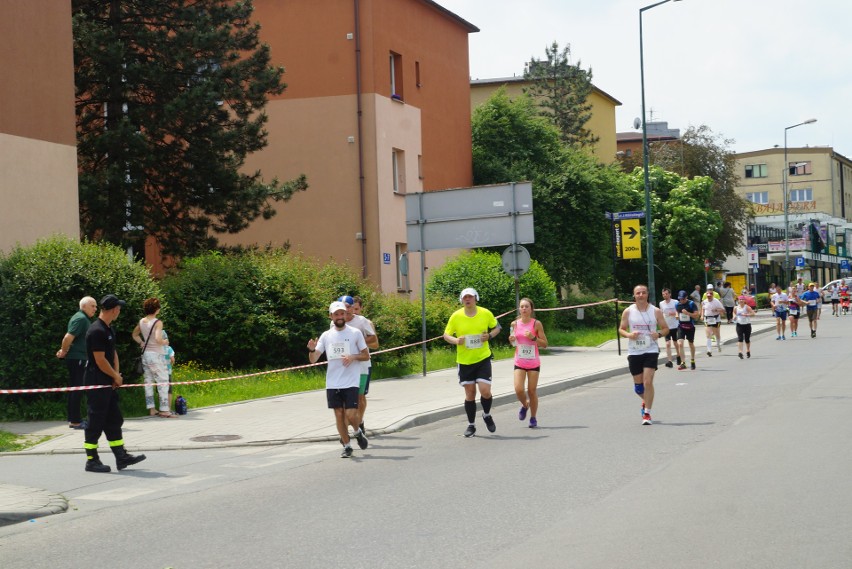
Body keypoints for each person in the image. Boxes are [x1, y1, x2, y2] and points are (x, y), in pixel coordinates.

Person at [83, 294, 146, 473]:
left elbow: (113, 353)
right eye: (118, 308)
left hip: (108, 379)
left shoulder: (108, 329)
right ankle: (92, 460)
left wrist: (116, 375)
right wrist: (114, 376)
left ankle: (121, 456)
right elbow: (100, 359)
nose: (120, 310)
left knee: (114, 419)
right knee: (95, 421)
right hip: (97, 381)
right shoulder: (96, 330)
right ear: (113, 309)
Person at [308, 301, 370, 458]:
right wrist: (311, 350)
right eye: (336, 314)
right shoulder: (326, 335)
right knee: (338, 414)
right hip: (333, 382)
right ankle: (347, 445)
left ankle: (357, 431)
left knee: (350, 414)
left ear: (345, 315)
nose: (340, 316)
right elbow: (313, 359)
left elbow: (366, 355)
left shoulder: (355, 333)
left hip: (351, 380)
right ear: (331, 316)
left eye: (342, 313)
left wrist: (353, 356)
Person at [443, 287, 501, 437]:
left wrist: (489, 335)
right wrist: (456, 340)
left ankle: (487, 415)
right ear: (461, 300)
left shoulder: (485, 313)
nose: (467, 300)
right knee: (470, 394)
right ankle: (471, 425)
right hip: (464, 361)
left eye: (470, 297)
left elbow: (497, 327)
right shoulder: (456, 316)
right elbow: (446, 335)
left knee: (485, 391)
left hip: (483, 358)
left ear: (476, 298)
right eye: (465, 298)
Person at [619, 285, 668, 425]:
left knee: (648, 382)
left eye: (643, 292)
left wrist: (658, 334)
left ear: (647, 294)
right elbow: (621, 329)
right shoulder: (628, 312)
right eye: (638, 293)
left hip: (651, 350)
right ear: (634, 295)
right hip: (634, 351)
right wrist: (629, 334)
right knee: (639, 388)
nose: (641, 295)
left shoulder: (656, 311)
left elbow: (665, 329)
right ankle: (645, 401)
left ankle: (647, 413)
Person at [56, 296, 97, 429]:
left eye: (96, 306)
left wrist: (65, 349)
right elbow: (68, 337)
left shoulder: (83, 318)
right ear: (84, 306)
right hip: (77, 359)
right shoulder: (81, 319)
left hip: (79, 358)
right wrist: (63, 351)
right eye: (93, 306)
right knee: (77, 388)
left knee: (77, 388)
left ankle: (75, 419)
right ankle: (75, 421)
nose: (95, 309)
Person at [340, 295, 379, 434]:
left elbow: (375, 340)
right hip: (345, 366)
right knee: (345, 398)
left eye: (352, 308)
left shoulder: (362, 321)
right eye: (346, 307)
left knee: (360, 397)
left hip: (362, 364)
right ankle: (347, 428)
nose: (350, 311)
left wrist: (358, 341)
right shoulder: (335, 323)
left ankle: (360, 421)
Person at [132, 298, 175, 418]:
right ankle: (164, 410)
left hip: (145, 355)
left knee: (148, 382)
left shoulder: (142, 321)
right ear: (156, 309)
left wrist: (141, 343)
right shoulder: (158, 322)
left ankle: (151, 409)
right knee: (163, 381)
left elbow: (134, 334)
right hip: (156, 355)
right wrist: (164, 342)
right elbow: (157, 338)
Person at [508, 297, 547, 428]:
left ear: (531, 309)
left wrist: (533, 337)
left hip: (533, 363)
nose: (524, 309)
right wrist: (511, 339)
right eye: (522, 306)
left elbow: (545, 344)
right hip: (519, 360)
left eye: (526, 307)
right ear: (519, 308)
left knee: (531, 391)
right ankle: (525, 405)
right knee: (518, 389)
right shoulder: (514, 324)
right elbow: (513, 343)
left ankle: (533, 417)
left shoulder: (536, 324)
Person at [675, 290, 699, 371]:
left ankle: (692, 360)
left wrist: (688, 313)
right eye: (680, 299)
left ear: (686, 297)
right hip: (681, 326)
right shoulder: (677, 304)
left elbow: (696, 315)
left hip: (690, 326)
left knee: (691, 344)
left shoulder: (691, 304)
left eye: (683, 299)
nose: (681, 301)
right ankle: (683, 363)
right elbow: (677, 312)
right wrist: (677, 315)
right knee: (680, 344)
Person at [699, 288, 725, 356]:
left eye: (710, 295)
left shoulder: (716, 301)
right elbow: (703, 309)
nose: (709, 296)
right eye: (707, 295)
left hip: (716, 318)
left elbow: (722, 310)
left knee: (717, 333)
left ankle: (718, 344)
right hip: (707, 318)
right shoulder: (704, 302)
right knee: (708, 335)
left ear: (712, 295)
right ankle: (709, 350)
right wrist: (702, 316)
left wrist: (716, 310)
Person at [659, 288, 680, 368]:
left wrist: (674, 313)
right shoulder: (661, 303)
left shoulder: (675, 302)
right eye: (663, 294)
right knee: (668, 344)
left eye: (666, 294)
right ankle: (670, 361)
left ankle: (678, 356)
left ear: (670, 294)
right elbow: (661, 313)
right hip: (666, 326)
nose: (665, 295)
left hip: (675, 325)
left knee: (675, 343)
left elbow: (679, 311)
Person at [163, 330, 176, 412]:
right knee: (169, 391)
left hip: (159, 372)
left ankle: (162, 408)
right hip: (167, 372)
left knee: (161, 390)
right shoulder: (169, 349)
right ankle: (168, 408)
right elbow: (172, 359)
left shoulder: (158, 349)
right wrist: (171, 364)